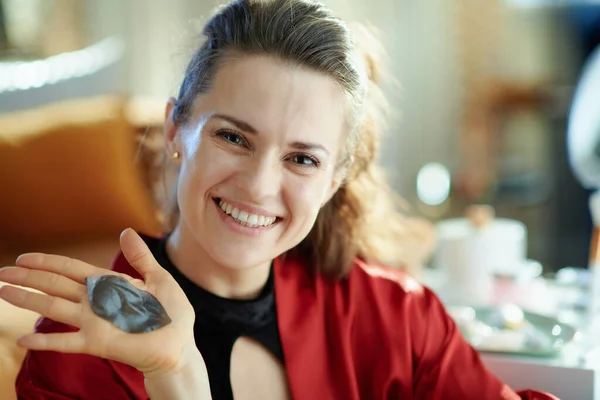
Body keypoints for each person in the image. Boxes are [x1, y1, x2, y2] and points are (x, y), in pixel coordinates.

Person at [0, 0, 558, 399]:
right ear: (176, 132)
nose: (260, 186)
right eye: (233, 137)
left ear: (337, 176)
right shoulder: (76, 350)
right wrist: (176, 380)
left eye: (303, 158)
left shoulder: (398, 320)